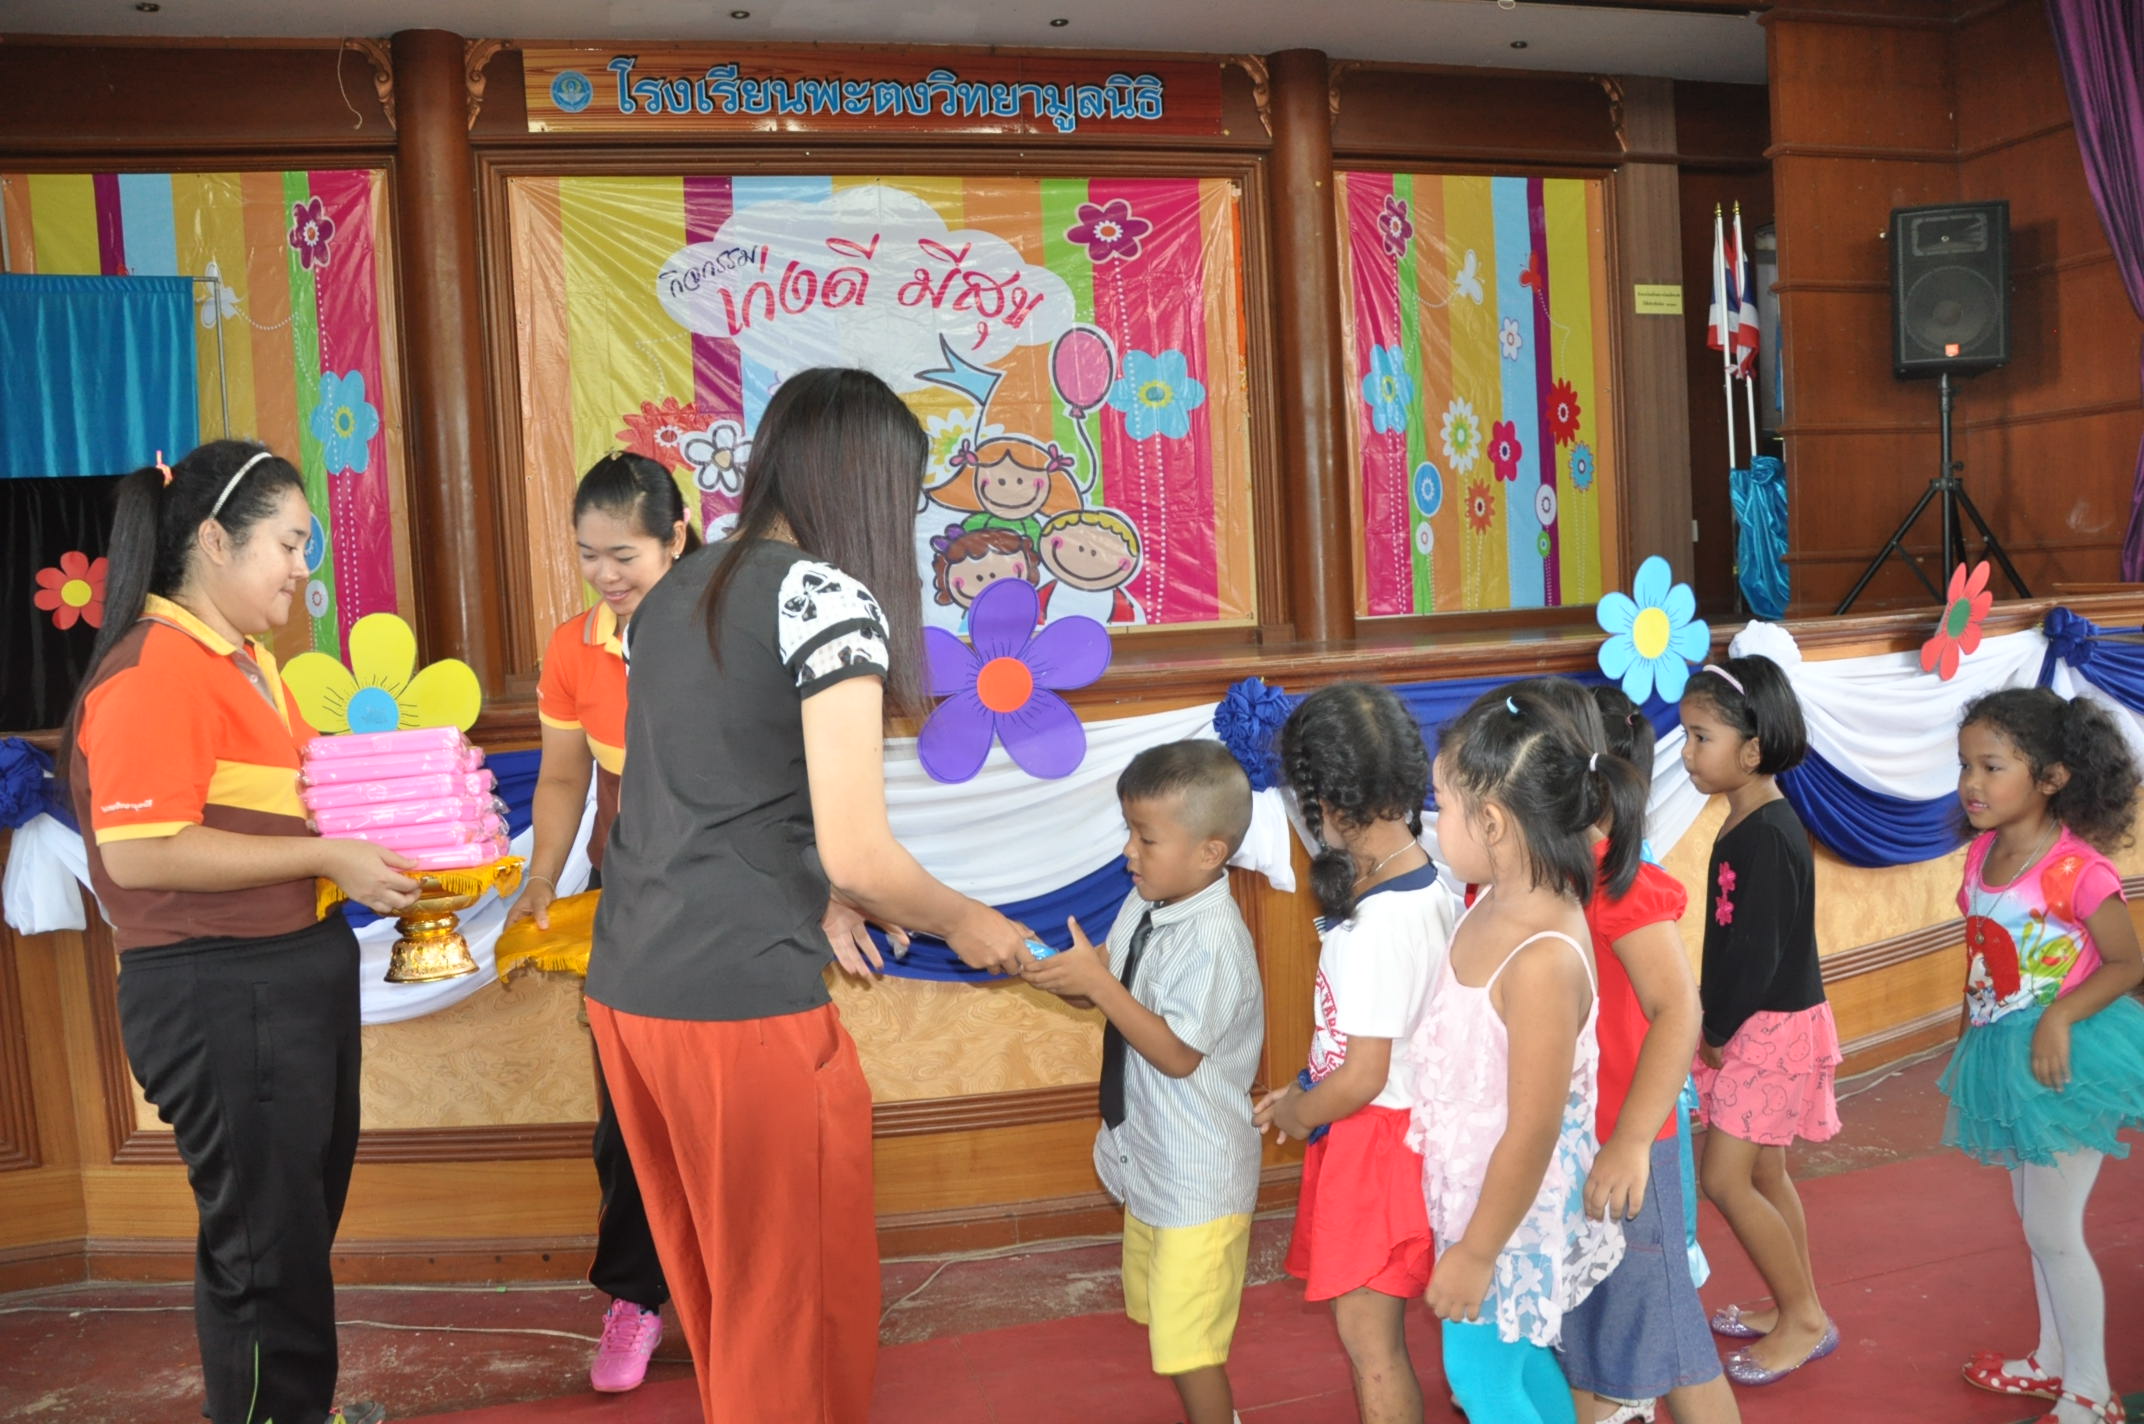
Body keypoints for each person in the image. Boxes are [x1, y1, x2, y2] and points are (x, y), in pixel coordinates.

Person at [581, 367, 1032, 1424]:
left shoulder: (672, 590)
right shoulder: (824, 598)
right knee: (792, 1306)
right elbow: (862, 854)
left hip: (631, 989)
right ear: (869, 484)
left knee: (727, 1295)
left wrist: (819, 892)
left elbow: (706, 794)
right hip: (738, 1005)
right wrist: (968, 921)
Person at [61, 440, 419, 1424]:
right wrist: (329, 856)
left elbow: (290, 811)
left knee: (286, 1239)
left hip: (286, 974)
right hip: (220, 987)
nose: (304, 568)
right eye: (289, 544)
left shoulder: (254, 663)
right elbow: (142, 852)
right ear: (216, 540)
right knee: (264, 1257)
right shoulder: (154, 669)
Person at [503, 453, 693, 1392]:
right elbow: (563, 777)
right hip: (628, 903)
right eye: (589, 555)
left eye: (626, 556)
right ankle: (635, 1297)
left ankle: (739, 1293)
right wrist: (541, 876)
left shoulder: (720, 630)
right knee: (628, 1110)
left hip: (728, 900)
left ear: (676, 540)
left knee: (730, 1106)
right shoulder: (574, 647)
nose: (606, 575)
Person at [1023, 740, 1263, 1424]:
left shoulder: (1214, 941)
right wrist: (1060, 972)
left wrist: (1099, 985)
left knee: (1189, 1348)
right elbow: (1113, 983)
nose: (1129, 852)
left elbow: (1177, 1053)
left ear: (1210, 852)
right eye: (1130, 832)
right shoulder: (1145, 900)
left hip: (1200, 1179)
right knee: (1165, 1321)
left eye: (1146, 838)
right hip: (1155, 1159)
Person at [1411, 681, 1626, 1424]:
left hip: (1509, 1206)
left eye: (1441, 804)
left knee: (1478, 1378)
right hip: (1478, 1190)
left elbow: (1533, 1130)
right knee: (1517, 1359)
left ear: (1495, 823)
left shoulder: (1541, 959)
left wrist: (1477, 1251)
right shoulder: (1491, 903)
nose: (1433, 822)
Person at [1525, 681, 1739, 1424]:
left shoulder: (1616, 882)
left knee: (1671, 1348)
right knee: (1592, 1345)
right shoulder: (1531, 882)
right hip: (1566, 1150)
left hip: (1625, 1151)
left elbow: (1679, 1011)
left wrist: (1631, 1142)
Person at [1944, 688, 2144, 1424]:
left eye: (1992, 766)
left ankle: (2090, 1389)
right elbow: (1982, 954)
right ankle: (2051, 1359)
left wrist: (2060, 1016)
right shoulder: (1982, 854)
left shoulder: (2077, 871)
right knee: (2036, 1224)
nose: (1971, 782)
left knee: (2055, 1232)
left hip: (2068, 1060)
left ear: (2053, 777)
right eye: (1965, 764)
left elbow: (2128, 963)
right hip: (2008, 1057)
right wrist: (1968, 1031)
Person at [1253, 681, 1450, 1424]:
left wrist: (1302, 1112)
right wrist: (1306, 1082)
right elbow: (1372, 1040)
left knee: (1372, 1346)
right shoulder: (1428, 876)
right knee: (1377, 1338)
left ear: (1325, 804)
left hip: (1376, 1146)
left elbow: (1365, 1075)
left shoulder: (1372, 930)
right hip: (1404, 1125)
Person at [1678, 657, 1841, 1387]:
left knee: (1725, 1179)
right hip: (1757, 1023)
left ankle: (1804, 1317)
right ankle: (1792, 1300)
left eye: (1701, 737)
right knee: (1765, 1170)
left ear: (1751, 749)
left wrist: (1714, 1028)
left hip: (1767, 1029)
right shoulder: (1747, 819)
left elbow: (1756, 951)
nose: (1688, 753)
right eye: (1686, 735)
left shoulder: (1768, 834)